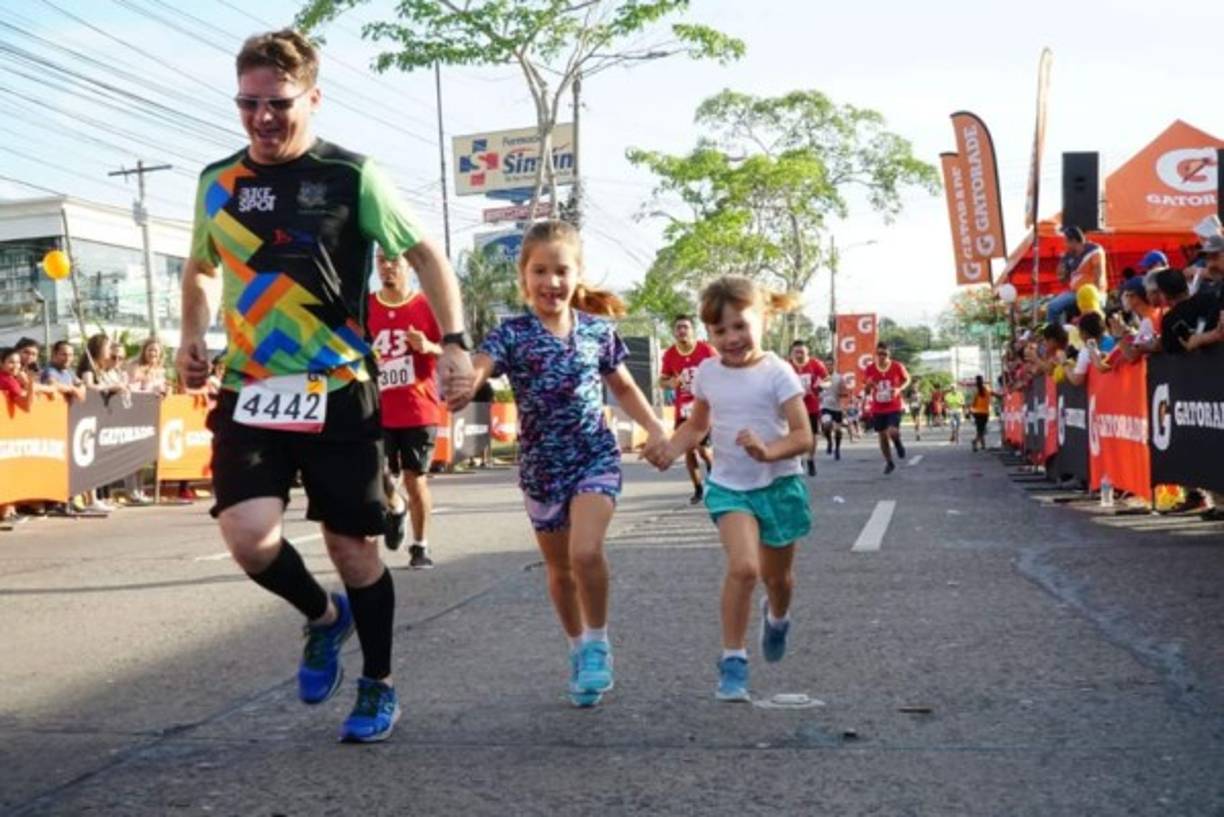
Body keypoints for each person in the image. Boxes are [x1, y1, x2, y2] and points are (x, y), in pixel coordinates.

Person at [174, 29, 472, 744]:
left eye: (277, 104)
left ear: (313, 96)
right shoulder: (217, 182)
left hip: (338, 387)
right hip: (251, 387)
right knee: (248, 537)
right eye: (248, 104)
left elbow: (426, 253)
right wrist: (192, 333)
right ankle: (321, 616)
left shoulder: (352, 177)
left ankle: (378, 682)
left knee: (354, 550)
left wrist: (455, 342)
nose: (261, 118)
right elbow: (201, 268)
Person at [452, 219, 664, 708]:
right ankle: (576, 649)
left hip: (594, 454)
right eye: (540, 271)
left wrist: (655, 428)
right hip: (541, 468)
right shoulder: (513, 333)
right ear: (524, 279)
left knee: (586, 553)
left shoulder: (598, 332)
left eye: (561, 270)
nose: (552, 282)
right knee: (559, 569)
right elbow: (483, 362)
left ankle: (597, 643)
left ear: (578, 274)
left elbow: (624, 386)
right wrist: (467, 380)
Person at [643, 276, 812, 702]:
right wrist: (668, 448)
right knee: (744, 568)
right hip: (730, 486)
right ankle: (733, 658)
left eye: (740, 326)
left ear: (764, 320)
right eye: (720, 331)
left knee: (779, 579)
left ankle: (777, 618)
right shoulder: (707, 372)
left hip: (779, 483)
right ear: (709, 334)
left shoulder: (779, 372)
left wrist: (769, 450)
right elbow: (697, 425)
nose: (731, 339)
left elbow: (803, 435)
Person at [367, 247, 443, 566]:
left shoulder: (427, 306)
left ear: (408, 266)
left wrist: (427, 346)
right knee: (376, 474)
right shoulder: (367, 306)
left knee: (415, 478)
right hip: (377, 407)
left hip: (418, 408)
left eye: (393, 262)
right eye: (381, 262)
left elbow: (450, 350)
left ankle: (420, 546)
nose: (387, 268)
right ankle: (396, 507)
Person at [659, 315, 716, 502]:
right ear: (674, 332)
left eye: (685, 327)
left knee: (703, 450)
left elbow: (722, 369)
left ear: (693, 330)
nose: (682, 331)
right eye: (678, 328)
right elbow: (662, 380)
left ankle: (715, 475)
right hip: (682, 410)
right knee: (688, 451)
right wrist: (671, 382)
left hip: (703, 407)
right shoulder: (669, 354)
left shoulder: (706, 349)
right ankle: (698, 488)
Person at [863, 343, 910, 473]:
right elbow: (867, 390)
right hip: (878, 407)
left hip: (894, 405)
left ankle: (898, 443)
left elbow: (907, 379)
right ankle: (889, 462)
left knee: (892, 431)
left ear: (889, 355)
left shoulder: (897, 366)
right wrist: (868, 385)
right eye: (879, 354)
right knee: (882, 436)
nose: (882, 356)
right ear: (875, 355)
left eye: (885, 354)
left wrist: (899, 388)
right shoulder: (870, 369)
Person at [1046, 226, 1107, 325]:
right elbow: (1064, 280)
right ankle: (1057, 335)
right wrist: (1061, 274)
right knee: (1053, 307)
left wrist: (1096, 296)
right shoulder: (1068, 256)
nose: (1065, 245)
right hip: (1075, 293)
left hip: (1092, 292)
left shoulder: (1094, 250)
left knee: (1054, 307)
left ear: (1073, 241)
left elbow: (1098, 274)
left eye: (1066, 241)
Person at [787, 339, 828, 476]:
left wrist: (819, 387)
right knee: (794, 433)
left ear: (807, 352)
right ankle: (798, 459)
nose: (799, 355)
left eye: (802, 352)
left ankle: (810, 459)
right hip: (793, 405)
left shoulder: (816, 364)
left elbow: (827, 380)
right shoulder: (786, 366)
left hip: (811, 405)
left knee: (812, 435)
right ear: (792, 354)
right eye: (796, 352)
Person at [819, 369, 848, 460]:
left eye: (830, 365)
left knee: (838, 430)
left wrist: (842, 393)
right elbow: (815, 389)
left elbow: (845, 392)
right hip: (825, 406)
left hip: (837, 407)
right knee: (827, 425)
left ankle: (837, 449)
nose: (828, 367)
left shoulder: (839, 377)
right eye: (827, 365)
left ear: (833, 366)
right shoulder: (820, 377)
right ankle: (829, 441)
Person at [970, 375, 992, 452]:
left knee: (980, 429)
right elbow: (996, 395)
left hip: (977, 412)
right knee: (982, 430)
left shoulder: (976, 391)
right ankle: (975, 441)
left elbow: (973, 403)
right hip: (985, 412)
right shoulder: (987, 389)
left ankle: (983, 445)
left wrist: (971, 411)